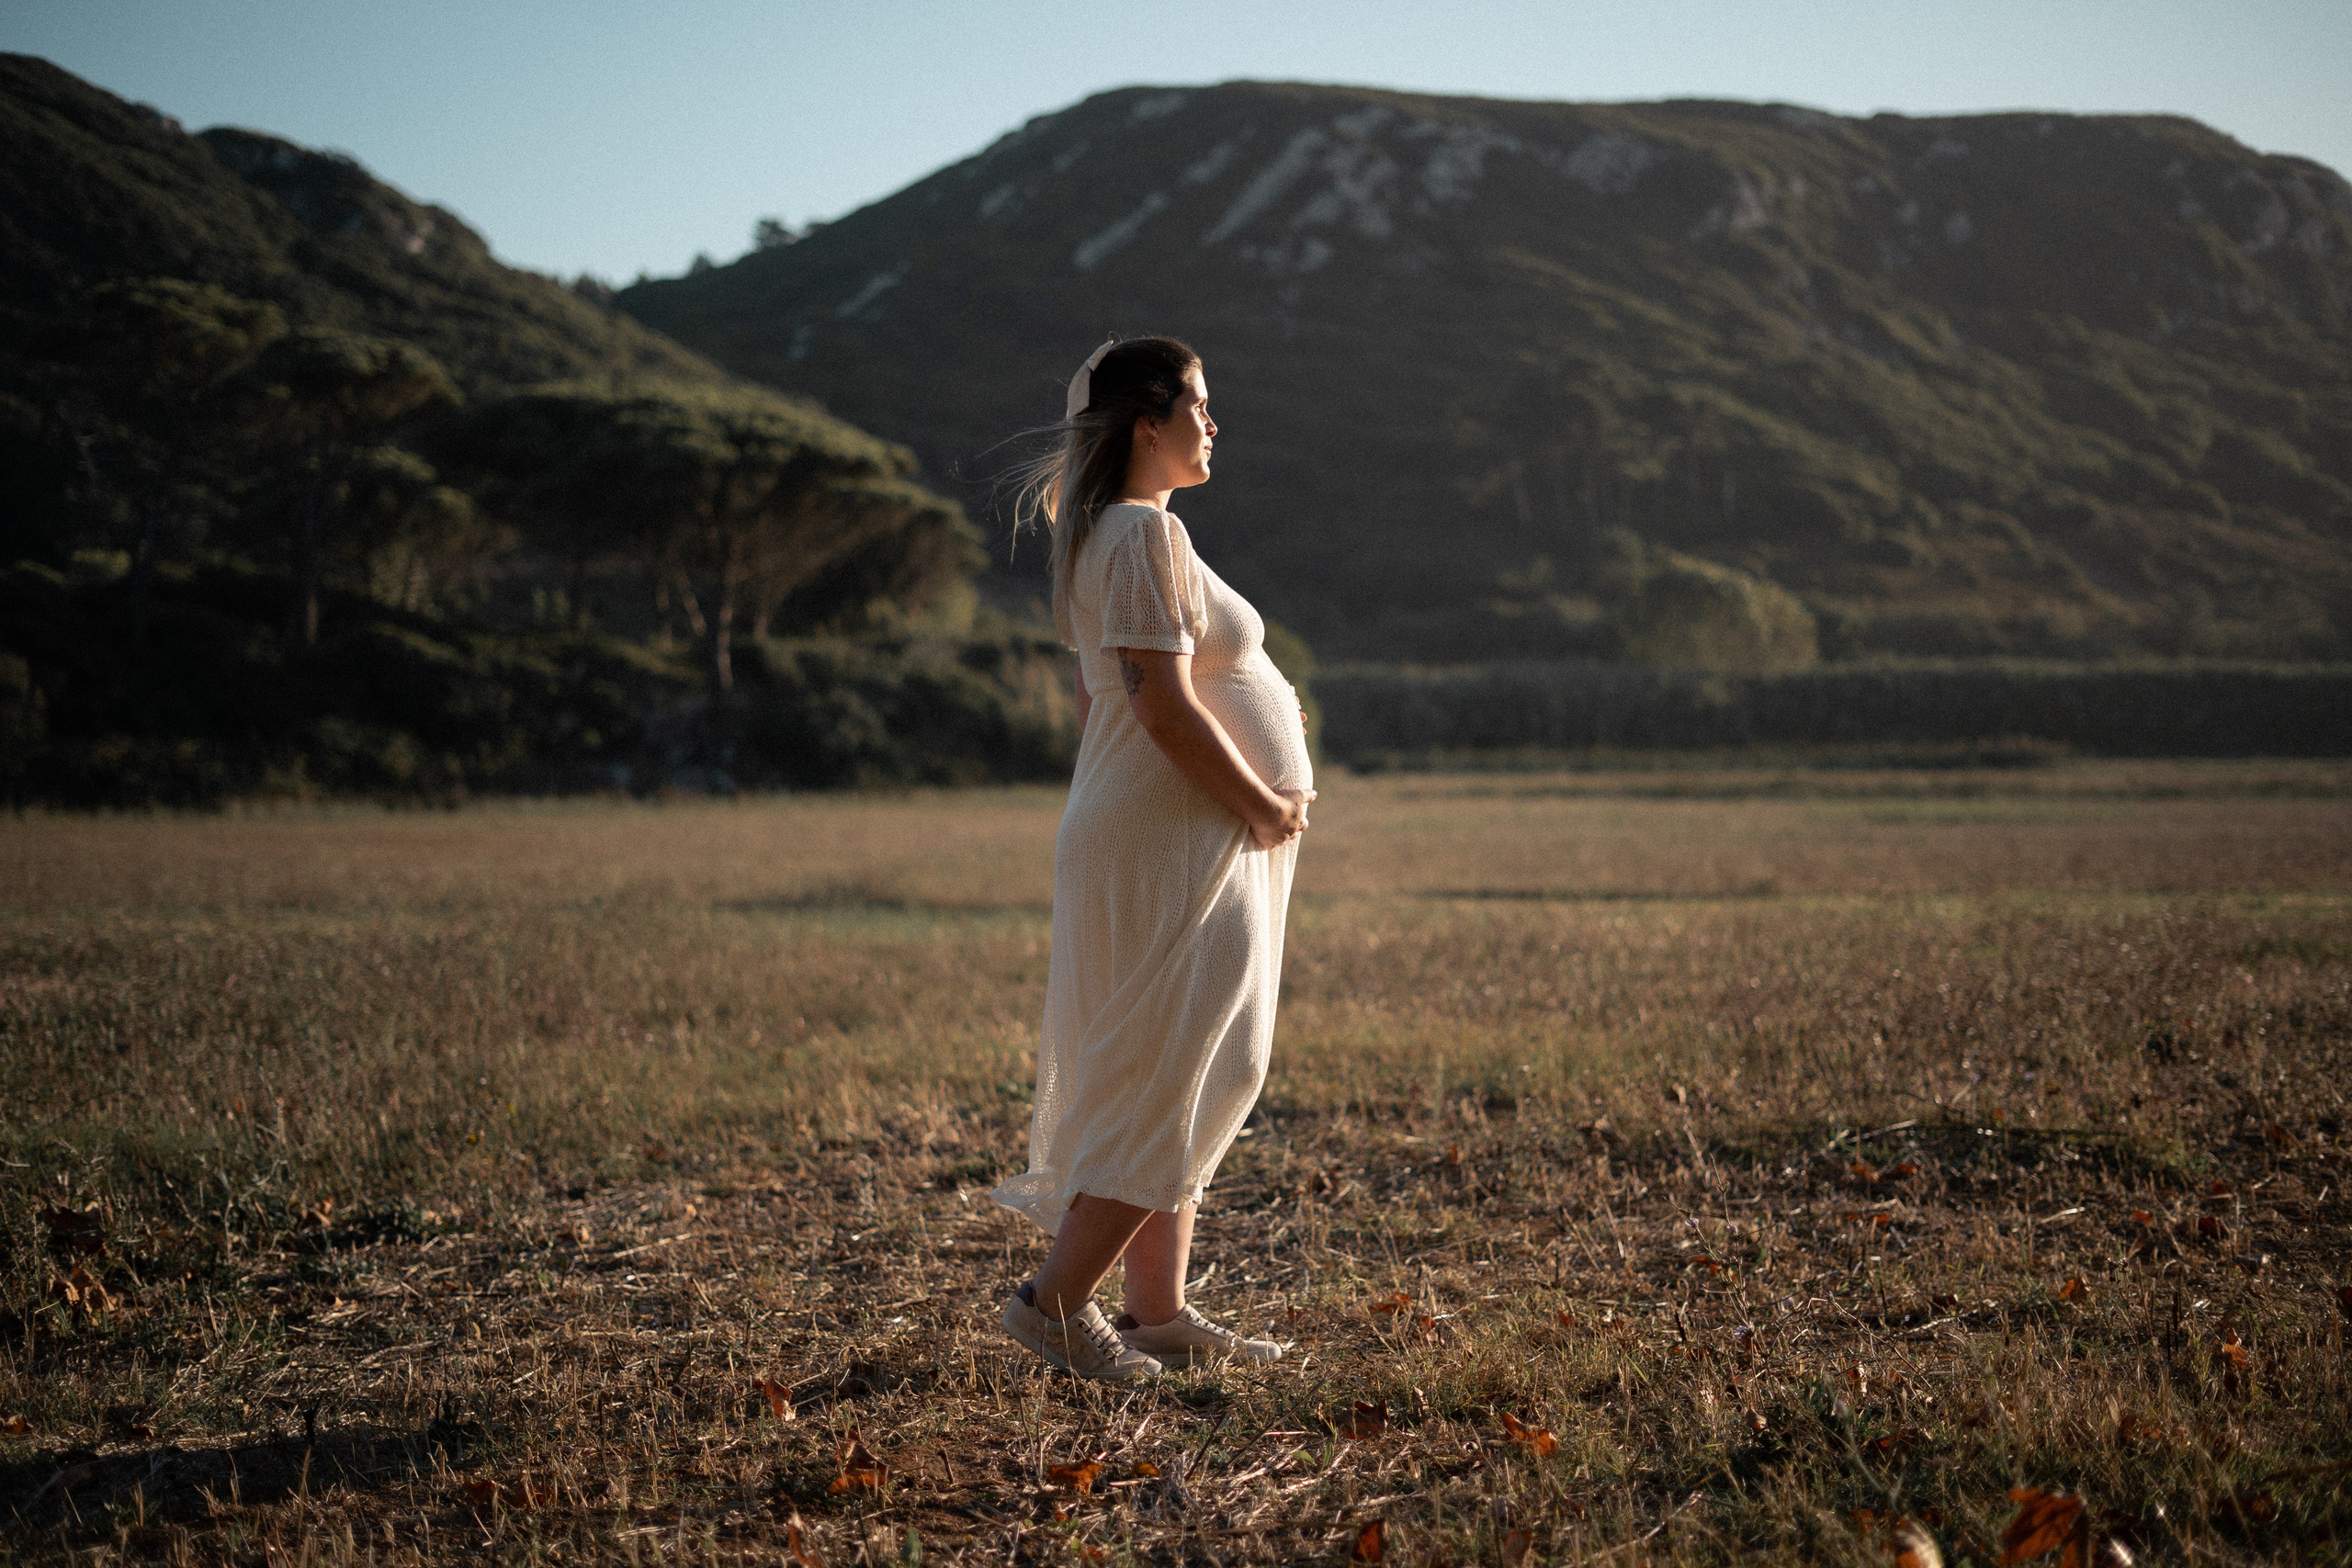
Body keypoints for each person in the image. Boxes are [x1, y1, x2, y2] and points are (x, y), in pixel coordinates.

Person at [991, 335, 1315, 1379]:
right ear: (1147, 421)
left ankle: (1158, 1316)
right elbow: (1158, 703)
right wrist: (1261, 801)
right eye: (1200, 406)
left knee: (1181, 1063)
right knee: (1188, 1065)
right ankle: (1051, 1305)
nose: (1213, 423)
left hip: (1173, 828)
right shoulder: (1138, 536)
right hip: (1175, 832)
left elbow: (1106, 701)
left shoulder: (1132, 536)